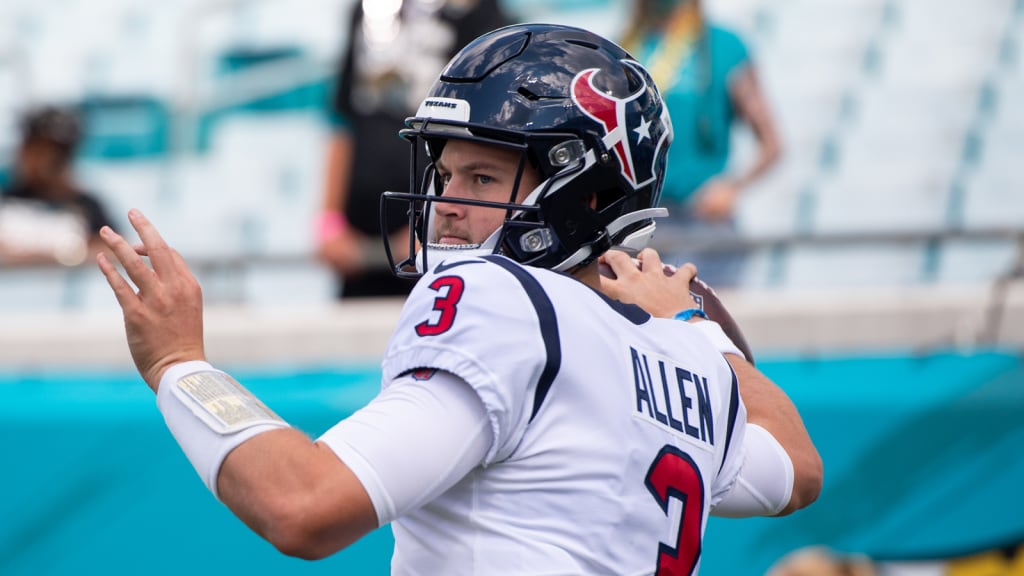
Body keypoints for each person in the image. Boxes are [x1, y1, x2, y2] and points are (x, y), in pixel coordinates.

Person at [97, 24, 821, 574]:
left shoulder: (501, 299)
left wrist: (180, 363)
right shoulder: (685, 353)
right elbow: (796, 468)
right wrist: (701, 332)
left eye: (481, 178)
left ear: (587, 191)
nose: (443, 204)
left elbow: (302, 505)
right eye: (445, 175)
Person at [317, 0, 509, 298]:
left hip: (442, 234)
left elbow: (488, 138)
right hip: (357, 243)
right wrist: (329, 223)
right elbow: (343, 124)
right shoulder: (368, 8)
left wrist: (436, 222)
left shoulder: (482, 15)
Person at [620, 0, 782, 287]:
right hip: (638, 222)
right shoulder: (623, 47)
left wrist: (731, 187)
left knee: (704, 323)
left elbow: (772, 145)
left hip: (703, 223)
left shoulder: (723, 46)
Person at [0, 105, 116, 266]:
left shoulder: (87, 206)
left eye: (54, 152)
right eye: (36, 149)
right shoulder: (5, 201)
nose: (44, 160)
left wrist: (71, 255)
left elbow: (116, 251)